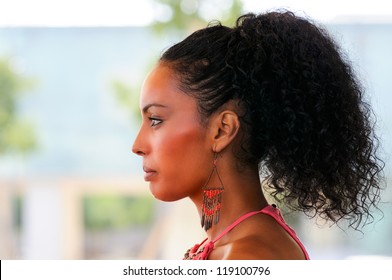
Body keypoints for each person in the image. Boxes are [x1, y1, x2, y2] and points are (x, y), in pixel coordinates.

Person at [132, 10, 384, 260]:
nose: (137, 145)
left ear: (222, 130)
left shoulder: (250, 256)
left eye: (155, 120)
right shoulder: (230, 246)